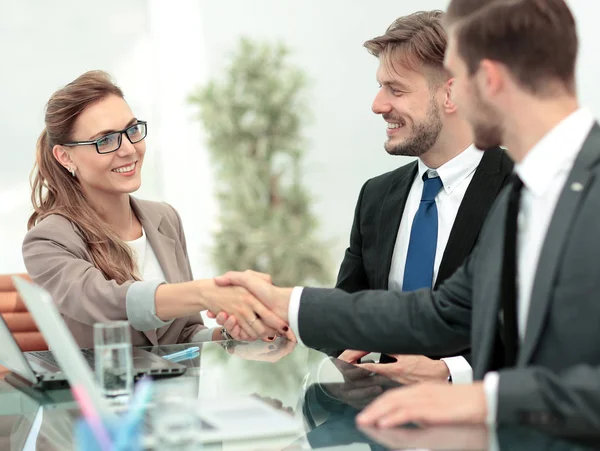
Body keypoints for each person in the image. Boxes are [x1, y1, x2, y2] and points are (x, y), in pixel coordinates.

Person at [213, 0, 600, 430]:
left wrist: (477, 399)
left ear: (484, 81)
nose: (379, 106)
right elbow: (439, 313)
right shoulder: (526, 196)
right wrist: (287, 305)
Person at [22, 71, 287, 348]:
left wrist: (235, 336)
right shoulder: (47, 240)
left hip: (176, 392)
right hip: (104, 392)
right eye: (105, 140)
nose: (128, 149)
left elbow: (184, 335)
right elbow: (104, 303)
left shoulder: (164, 219)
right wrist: (205, 293)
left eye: (132, 130)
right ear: (65, 156)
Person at [333, 10, 512, 385]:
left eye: (395, 89)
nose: (378, 105)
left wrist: (449, 372)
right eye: (381, 87)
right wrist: (287, 323)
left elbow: (542, 331)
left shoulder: (524, 191)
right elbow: (348, 313)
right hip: (381, 428)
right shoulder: (376, 197)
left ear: (451, 93)